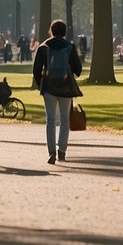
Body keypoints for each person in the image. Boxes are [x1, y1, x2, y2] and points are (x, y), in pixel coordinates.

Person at [32, 20, 83, 164]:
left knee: (50, 120)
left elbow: (36, 69)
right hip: (66, 87)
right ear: (64, 31)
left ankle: (51, 152)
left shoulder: (43, 47)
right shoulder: (70, 47)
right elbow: (78, 69)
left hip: (48, 87)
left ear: (51, 31)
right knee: (65, 120)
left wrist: (41, 82)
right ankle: (62, 151)